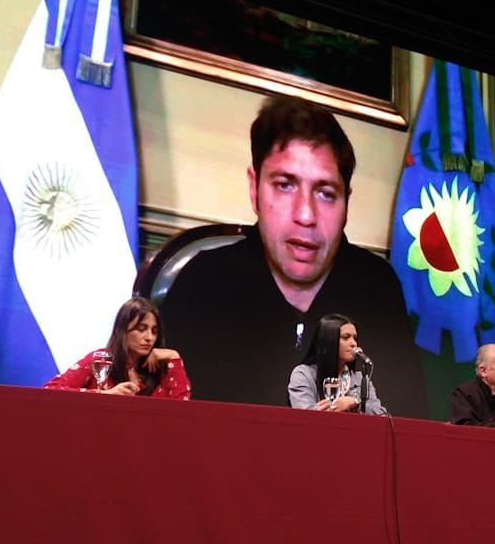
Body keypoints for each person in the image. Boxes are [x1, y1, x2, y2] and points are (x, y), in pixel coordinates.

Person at [161, 96, 427, 417]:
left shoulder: (378, 288)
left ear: (347, 204)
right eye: (285, 185)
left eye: (326, 193)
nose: (305, 214)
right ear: (254, 188)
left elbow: (410, 426)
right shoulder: (200, 284)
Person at [45, 297, 190, 399]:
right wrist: (105, 395)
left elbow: (180, 409)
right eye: (141, 329)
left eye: (154, 331)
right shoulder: (101, 360)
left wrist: (174, 356)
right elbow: (51, 390)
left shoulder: (157, 369)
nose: (149, 338)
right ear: (123, 330)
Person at [288, 313, 388, 416]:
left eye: (355, 338)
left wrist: (355, 402)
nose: (354, 343)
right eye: (346, 337)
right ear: (328, 341)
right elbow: (303, 415)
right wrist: (334, 407)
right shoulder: (303, 375)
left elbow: (381, 416)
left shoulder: (361, 380)